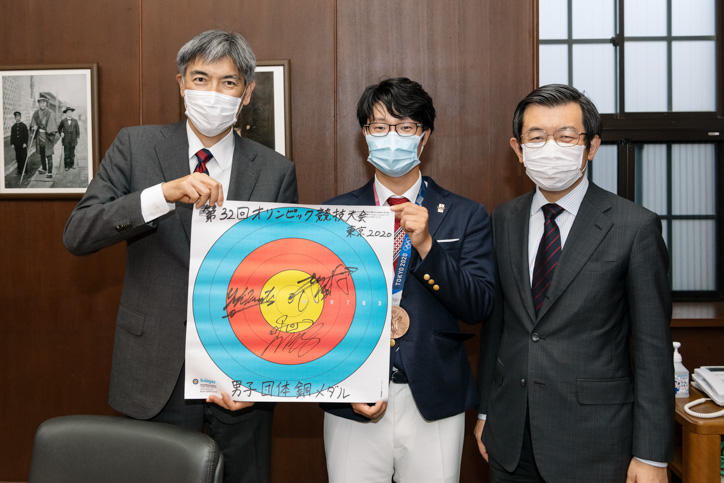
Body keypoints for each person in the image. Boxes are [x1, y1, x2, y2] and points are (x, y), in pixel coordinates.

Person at [63, 30, 298, 483]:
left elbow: (283, 276)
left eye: (228, 82)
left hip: (239, 378)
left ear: (247, 92)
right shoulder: (135, 146)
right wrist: (161, 195)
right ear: (181, 84)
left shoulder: (275, 170)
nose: (213, 92)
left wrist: (259, 373)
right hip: (155, 371)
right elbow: (78, 233)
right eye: (201, 78)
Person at [475, 84, 673, 482]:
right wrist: (485, 411)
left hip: (596, 441)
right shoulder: (504, 219)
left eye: (566, 136)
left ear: (591, 146)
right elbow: (497, 326)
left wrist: (652, 455)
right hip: (510, 437)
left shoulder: (634, 227)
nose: (550, 147)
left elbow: (652, 347)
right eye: (536, 137)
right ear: (518, 149)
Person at [322, 77, 495, 483]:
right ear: (365, 135)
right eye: (380, 127)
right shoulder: (334, 214)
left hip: (433, 399)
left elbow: (478, 305)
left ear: (424, 136)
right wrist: (347, 385)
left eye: (404, 127)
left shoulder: (465, 214)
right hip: (354, 399)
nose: (391, 137)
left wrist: (428, 247)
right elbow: (321, 314)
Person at [30, 94, 59, 178]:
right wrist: (34, 127)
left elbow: (52, 126)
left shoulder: (50, 113)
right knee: (42, 154)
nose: (42, 104)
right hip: (39, 137)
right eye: (40, 103)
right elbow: (33, 123)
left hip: (48, 137)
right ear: (38, 104)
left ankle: (50, 172)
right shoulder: (36, 113)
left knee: (49, 155)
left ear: (46, 103)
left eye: (44, 102)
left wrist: (47, 130)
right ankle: (44, 168)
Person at [58, 106, 80, 171]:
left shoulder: (75, 121)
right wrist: (61, 133)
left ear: (72, 113)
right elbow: (59, 129)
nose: (69, 113)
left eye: (70, 112)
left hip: (73, 139)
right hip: (66, 139)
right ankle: (66, 166)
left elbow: (77, 130)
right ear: (66, 113)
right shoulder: (63, 121)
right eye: (68, 112)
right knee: (66, 153)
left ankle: (72, 164)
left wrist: (77, 137)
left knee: (72, 153)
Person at [10, 111, 28, 175]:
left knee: (23, 157)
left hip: (23, 145)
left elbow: (26, 135)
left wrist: (25, 143)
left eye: (18, 117)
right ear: (15, 118)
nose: (17, 118)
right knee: (18, 158)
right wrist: (12, 143)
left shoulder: (24, 126)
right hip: (16, 145)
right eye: (16, 117)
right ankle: (19, 170)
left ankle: (24, 171)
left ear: (20, 117)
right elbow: (12, 136)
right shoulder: (13, 127)